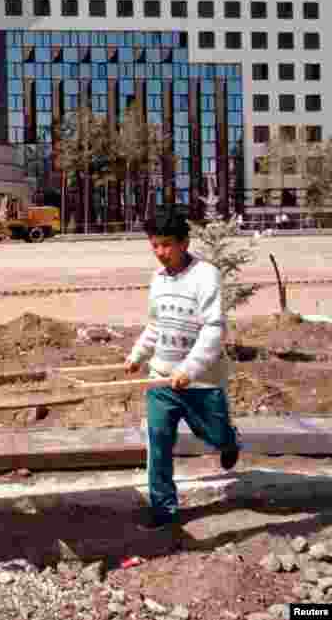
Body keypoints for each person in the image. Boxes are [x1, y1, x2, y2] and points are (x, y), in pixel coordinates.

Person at [124, 208, 240, 531]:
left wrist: (189, 369)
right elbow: (155, 326)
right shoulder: (157, 280)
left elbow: (214, 330)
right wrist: (137, 355)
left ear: (184, 242)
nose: (160, 253)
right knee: (158, 442)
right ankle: (164, 511)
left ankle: (229, 440)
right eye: (155, 245)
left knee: (214, 435)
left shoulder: (206, 275)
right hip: (161, 378)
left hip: (201, 381)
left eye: (166, 245)